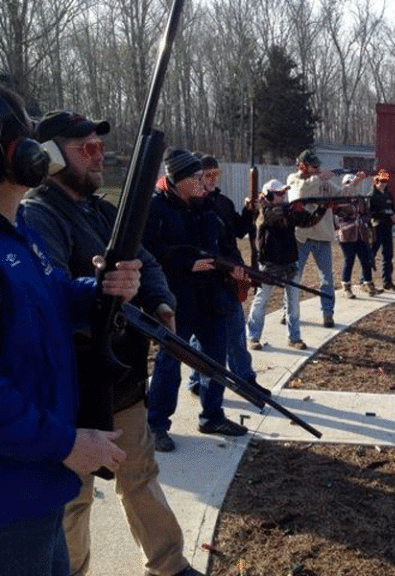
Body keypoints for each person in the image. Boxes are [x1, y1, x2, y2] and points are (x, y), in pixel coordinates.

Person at [22, 110, 201, 576]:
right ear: (53, 158)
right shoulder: (38, 214)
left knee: (140, 476)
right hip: (76, 387)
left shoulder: (104, 212)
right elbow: (53, 294)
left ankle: (168, 564)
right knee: (74, 497)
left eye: (100, 147)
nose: (99, 157)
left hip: (121, 375)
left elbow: (147, 262)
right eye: (87, 149)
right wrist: (97, 285)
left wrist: (160, 301)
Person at [0, 87, 140, 576]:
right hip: (11, 501)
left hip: (41, 486)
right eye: (21, 137)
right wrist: (67, 443)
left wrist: (101, 288)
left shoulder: (18, 232)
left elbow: (54, 296)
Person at [143, 148, 247, 453]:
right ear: (176, 179)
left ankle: (212, 415)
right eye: (195, 177)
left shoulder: (209, 206)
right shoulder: (156, 208)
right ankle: (157, 424)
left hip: (211, 296)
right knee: (169, 360)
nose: (203, 182)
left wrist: (237, 266)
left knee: (215, 358)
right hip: (176, 297)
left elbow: (226, 242)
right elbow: (148, 251)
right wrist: (186, 264)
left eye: (203, 176)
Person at [186, 155, 255, 398]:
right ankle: (197, 380)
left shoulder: (223, 202)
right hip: (207, 279)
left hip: (230, 274)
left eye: (216, 174)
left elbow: (238, 231)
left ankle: (244, 377)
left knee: (236, 328)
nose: (213, 179)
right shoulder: (191, 205)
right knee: (204, 337)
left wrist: (249, 212)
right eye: (208, 175)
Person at [286, 149, 367, 326]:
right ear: (303, 166)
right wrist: (320, 178)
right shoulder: (293, 179)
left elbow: (343, 196)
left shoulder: (325, 183)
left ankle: (328, 313)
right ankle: (289, 312)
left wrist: (356, 183)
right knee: (294, 277)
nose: (318, 169)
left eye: (318, 166)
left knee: (326, 280)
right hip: (302, 236)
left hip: (323, 235)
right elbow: (299, 193)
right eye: (314, 166)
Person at [246, 179, 319, 351]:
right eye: (279, 193)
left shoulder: (289, 211)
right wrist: (291, 208)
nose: (283, 195)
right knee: (261, 301)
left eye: (283, 193)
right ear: (269, 195)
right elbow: (270, 218)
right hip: (269, 263)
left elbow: (308, 221)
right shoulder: (263, 211)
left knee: (293, 303)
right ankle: (253, 337)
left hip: (290, 261)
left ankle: (294, 338)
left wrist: (322, 208)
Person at [334, 173, 381, 297]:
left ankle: (368, 284)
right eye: (348, 183)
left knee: (366, 259)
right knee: (349, 260)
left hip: (360, 233)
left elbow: (366, 213)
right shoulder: (340, 199)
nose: (352, 186)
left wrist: (364, 221)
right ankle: (346, 286)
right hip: (347, 234)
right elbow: (338, 214)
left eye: (353, 183)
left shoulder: (360, 198)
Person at [369, 168, 395, 291]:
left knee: (388, 255)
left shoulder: (388, 194)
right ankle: (365, 280)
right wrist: (384, 213)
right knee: (371, 254)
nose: (383, 184)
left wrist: (394, 215)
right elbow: (370, 213)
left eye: (385, 181)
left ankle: (387, 281)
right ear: (376, 181)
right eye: (380, 181)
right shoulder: (372, 196)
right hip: (376, 227)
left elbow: (393, 208)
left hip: (387, 227)